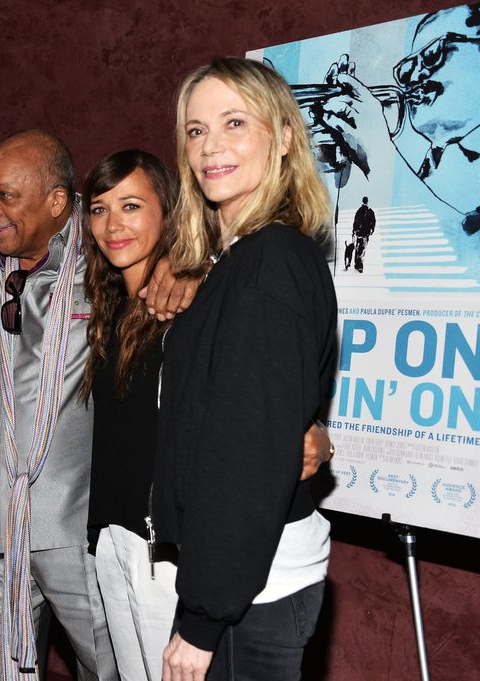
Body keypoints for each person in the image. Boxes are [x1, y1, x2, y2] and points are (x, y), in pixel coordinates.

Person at [0, 129, 200, 681]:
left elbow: (210, 244)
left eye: (7, 196)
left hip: (73, 518)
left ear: (59, 203)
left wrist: (187, 265)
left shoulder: (105, 247)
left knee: (111, 664)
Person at [81, 149, 333, 681]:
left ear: (168, 212)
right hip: (114, 542)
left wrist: (313, 434)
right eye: (99, 209)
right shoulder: (109, 308)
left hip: (167, 552)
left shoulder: (195, 306)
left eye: (131, 205)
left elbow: (256, 401)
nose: (113, 224)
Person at [155, 58, 337, 681]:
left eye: (235, 122)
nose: (211, 147)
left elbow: (245, 455)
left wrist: (202, 619)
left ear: (284, 137)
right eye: (197, 130)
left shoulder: (270, 264)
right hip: (250, 580)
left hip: (251, 591)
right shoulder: (244, 258)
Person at [314, 2, 480, 225]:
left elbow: (476, 246)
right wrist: (343, 149)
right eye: (405, 69)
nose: (412, 77)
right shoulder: (420, 160)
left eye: (432, 56)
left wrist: (374, 149)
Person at [351, 196, 376, 273]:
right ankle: (360, 265)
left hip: (359, 233)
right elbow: (373, 222)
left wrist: (354, 230)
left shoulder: (359, 211)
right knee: (362, 249)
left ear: (362, 202)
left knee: (358, 248)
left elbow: (355, 221)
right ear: (367, 202)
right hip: (366, 233)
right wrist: (372, 230)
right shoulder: (370, 211)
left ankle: (356, 264)